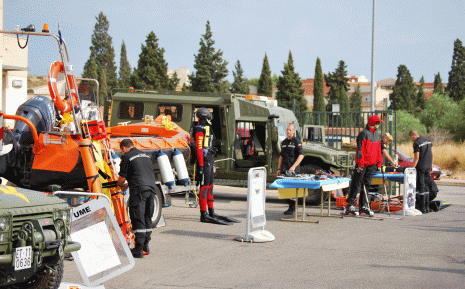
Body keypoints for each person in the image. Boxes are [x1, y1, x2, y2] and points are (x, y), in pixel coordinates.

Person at [193, 107, 239, 225]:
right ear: (204, 117)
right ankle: (204, 214)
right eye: (208, 116)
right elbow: (199, 149)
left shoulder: (207, 128)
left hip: (209, 160)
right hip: (204, 162)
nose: (210, 118)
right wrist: (201, 167)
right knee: (204, 187)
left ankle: (211, 212)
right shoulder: (199, 130)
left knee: (210, 186)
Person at [117, 139, 156, 258]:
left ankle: (138, 249)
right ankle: (145, 246)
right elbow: (140, 174)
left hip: (139, 191)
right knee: (147, 217)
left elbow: (121, 179)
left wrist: (119, 185)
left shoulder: (127, 156)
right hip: (151, 189)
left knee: (138, 217)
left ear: (123, 147)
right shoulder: (145, 155)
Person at [344, 115, 383, 216]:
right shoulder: (363, 134)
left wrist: (379, 162)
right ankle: (350, 205)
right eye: (377, 123)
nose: (378, 125)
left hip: (372, 164)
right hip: (362, 164)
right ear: (372, 123)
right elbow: (360, 150)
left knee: (367, 185)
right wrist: (360, 163)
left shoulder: (377, 135)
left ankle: (363, 205)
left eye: (378, 123)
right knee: (356, 184)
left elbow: (379, 150)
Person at [277, 123, 304, 215]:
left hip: (293, 170)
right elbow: (281, 156)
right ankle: (291, 206)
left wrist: (293, 167)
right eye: (287, 129)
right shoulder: (284, 142)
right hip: (285, 168)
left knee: (292, 189)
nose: (288, 131)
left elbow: (301, 156)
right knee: (285, 189)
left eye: (290, 130)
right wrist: (279, 168)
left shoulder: (297, 141)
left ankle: (292, 208)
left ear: (293, 131)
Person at [409, 130, 438, 213]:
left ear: (412, 136)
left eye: (411, 138)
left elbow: (416, 157)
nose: (412, 140)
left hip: (421, 168)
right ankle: (426, 207)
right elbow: (432, 154)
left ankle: (423, 209)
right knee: (426, 187)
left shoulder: (416, 143)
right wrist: (431, 165)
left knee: (422, 188)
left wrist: (412, 168)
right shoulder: (428, 141)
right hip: (428, 167)